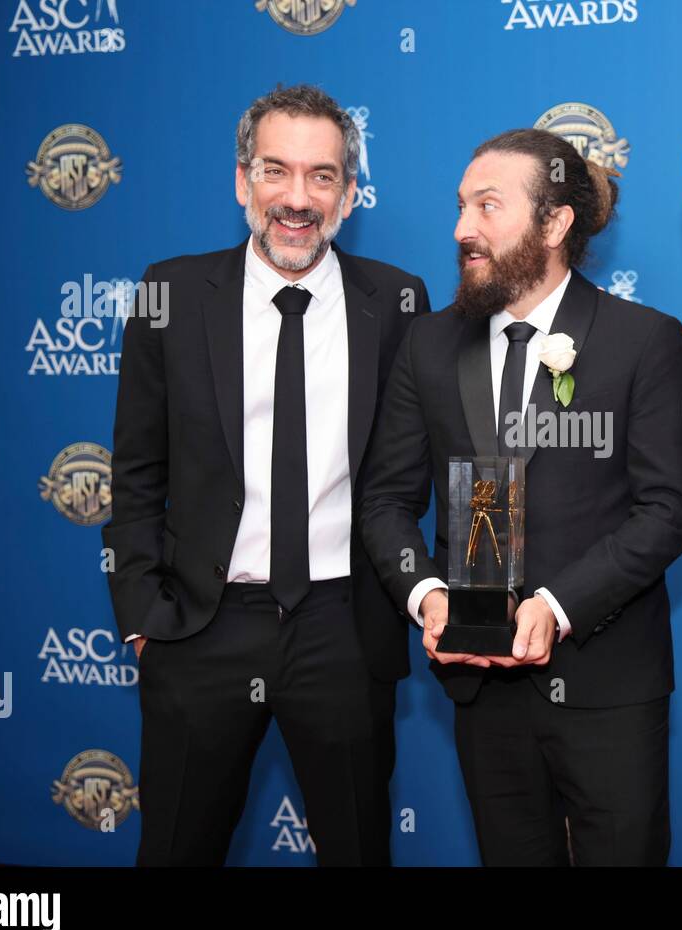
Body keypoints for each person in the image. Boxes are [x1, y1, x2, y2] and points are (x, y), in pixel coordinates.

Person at [103, 83, 429, 865]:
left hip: (343, 628)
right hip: (201, 627)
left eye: (322, 176)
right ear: (242, 181)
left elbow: (410, 473)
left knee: (358, 852)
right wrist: (145, 618)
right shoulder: (171, 294)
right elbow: (136, 470)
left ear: (349, 193)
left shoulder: (397, 300)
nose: (297, 198)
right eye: (275, 170)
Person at [359, 128, 682, 866]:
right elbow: (385, 501)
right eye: (460, 206)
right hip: (482, 690)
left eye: (487, 206)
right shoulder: (428, 344)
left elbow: (670, 510)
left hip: (606, 684)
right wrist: (426, 596)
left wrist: (558, 605)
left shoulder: (642, 340)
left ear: (554, 224)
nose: (462, 228)